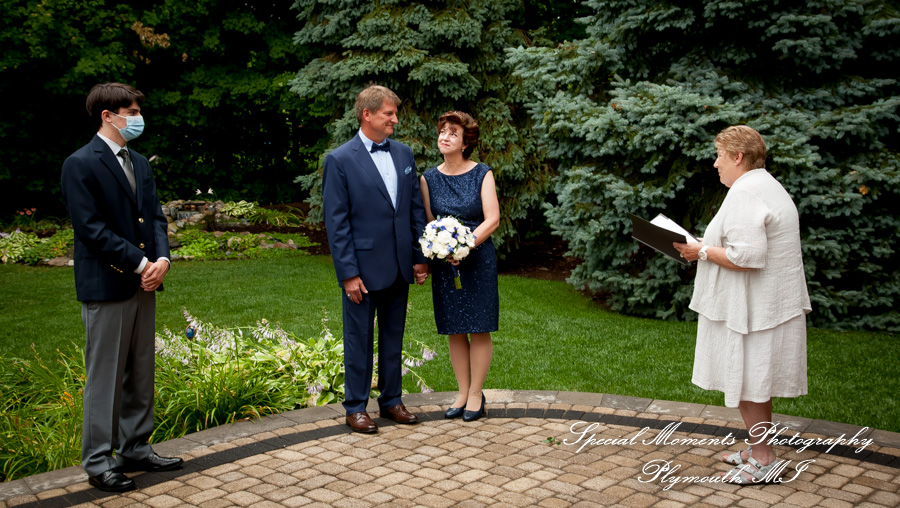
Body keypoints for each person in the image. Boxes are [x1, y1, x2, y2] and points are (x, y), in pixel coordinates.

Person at [60, 83, 183, 493]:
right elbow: (90, 230)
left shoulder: (140, 163)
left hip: (145, 282)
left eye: (136, 111)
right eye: (130, 111)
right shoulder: (80, 163)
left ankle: (135, 447)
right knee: (105, 376)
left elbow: (156, 218)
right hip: (107, 283)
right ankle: (98, 461)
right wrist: (140, 262)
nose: (137, 118)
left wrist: (162, 260)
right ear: (107, 116)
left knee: (140, 370)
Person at [674, 125, 811, 485]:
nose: (715, 163)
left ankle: (764, 458)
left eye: (720, 155)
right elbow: (740, 243)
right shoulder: (763, 184)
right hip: (763, 305)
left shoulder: (746, 192)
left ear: (738, 157)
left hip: (753, 310)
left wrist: (699, 250)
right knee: (754, 380)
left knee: (748, 379)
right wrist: (703, 243)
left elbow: (747, 255)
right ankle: (756, 446)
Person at [322, 85, 429, 433]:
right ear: (367, 115)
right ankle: (355, 406)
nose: (395, 120)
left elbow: (414, 210)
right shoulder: (339, 160)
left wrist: (418, 257)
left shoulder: (404, 154)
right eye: (389, 114)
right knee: (358, 338)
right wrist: (348, 273)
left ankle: (392, 401)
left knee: (393, 336)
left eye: (395, 113)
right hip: (362, 270)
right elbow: (336, 223)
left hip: (399, 264)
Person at [420, 111, 500, 422]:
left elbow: (491, 219)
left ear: (465, 142)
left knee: (478, 326)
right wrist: (442, 251)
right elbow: (430, 223)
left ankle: (477, 395)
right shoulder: (428, 178)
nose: (445, 136)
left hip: (477, 259)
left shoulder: (482, 173)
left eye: (453, 133)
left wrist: (465, 246)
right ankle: (462, 391)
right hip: (445, 264)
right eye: (442, 131)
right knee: (455, 328)